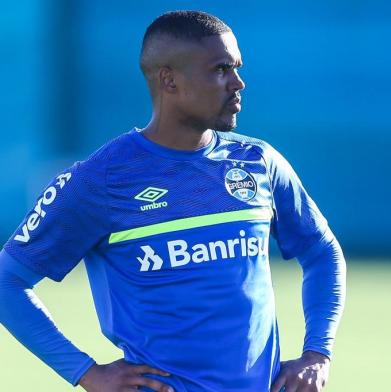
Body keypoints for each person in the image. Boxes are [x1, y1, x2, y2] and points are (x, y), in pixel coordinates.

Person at [0, 10, 346, 392]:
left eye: (237, 68)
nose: (238, 83)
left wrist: (318, 353)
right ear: (169, 80)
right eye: (220, 69)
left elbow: (321, 249)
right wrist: (86, 372)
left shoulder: (258, 162)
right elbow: (7, 282)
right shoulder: (100, 179)